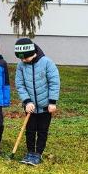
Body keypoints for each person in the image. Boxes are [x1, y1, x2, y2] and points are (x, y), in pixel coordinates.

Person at [14, 38, 60, 166]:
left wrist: (52, 102)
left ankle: (38, 153)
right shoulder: (21, 66)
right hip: (30, 107)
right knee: (30, 129)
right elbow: (20, 84)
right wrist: (27, 101)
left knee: (42, 130)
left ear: (32, 53)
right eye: (20, 58)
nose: (23, 60)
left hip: (46, 106)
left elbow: (54, 82)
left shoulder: (47, 63)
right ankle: (30, 152)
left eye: (25, 58)